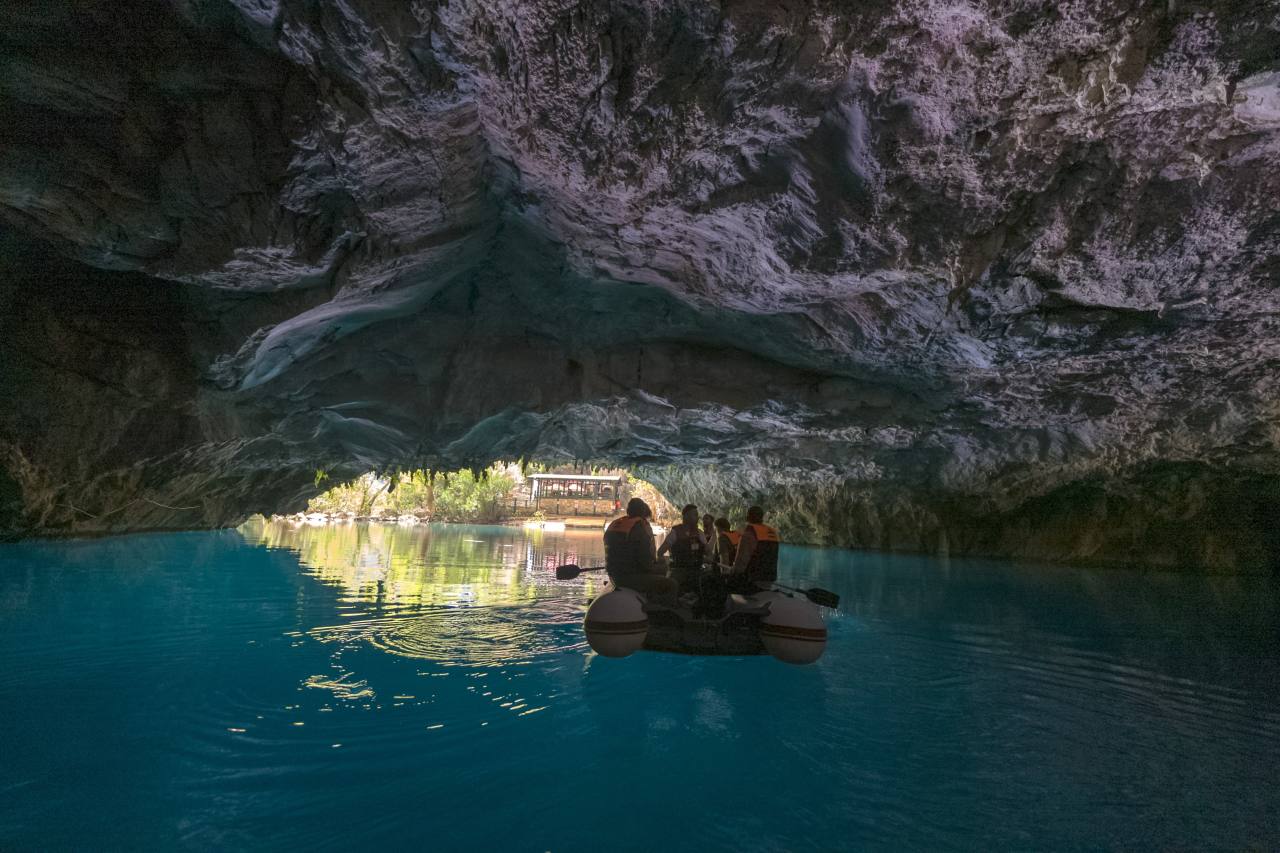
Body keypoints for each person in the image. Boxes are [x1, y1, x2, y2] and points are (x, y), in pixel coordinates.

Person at [604, 498, 676, 599]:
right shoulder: (639, 527)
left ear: (628, 511)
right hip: (631, 577)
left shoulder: (614, 524)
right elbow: (645, 563)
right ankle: (660, 607)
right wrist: (655, 566)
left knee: (659, 567)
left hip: (613, 575)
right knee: (670, 581)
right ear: (643, 511)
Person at [726, 505, 779, 593]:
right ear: (761, 517)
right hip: (769, 580)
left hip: (752, 581)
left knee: (723, 585)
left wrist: (732, 570)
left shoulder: (749, 534)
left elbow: (740, 564)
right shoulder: (773, 533)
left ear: (748, 517)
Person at [656, 504, 708, 590]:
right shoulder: (675, 533)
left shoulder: (700, 533)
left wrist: (706, 558)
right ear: (686, 516)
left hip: (697, 571)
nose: (698, 517)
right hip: (678, 571)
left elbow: (709, 553)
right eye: (695, 514)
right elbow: (660, 552)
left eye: (697, 515)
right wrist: (664, 565)